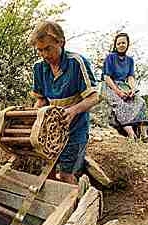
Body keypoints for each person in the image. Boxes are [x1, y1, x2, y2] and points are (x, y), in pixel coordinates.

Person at [29, 21, 100, 184]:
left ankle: (76, 206)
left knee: (67, 175)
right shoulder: (39, 67)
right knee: (48, 173)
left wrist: (73, 111)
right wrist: (34, 115)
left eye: (48, 48)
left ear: (60, 42)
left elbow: (94, 97)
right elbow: (41, 99)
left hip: (75, 129)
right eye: (40, 50)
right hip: (50, 131)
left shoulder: (76, 62)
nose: (45, 55)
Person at [102, 32, 148, 139]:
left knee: (140, 101)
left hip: (123, 85)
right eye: (118, 43)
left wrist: (132, 89)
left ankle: (144, 133)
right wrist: (118, 91)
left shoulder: (130, 60)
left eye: (123, 43)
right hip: (110, 85)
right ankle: (131, 134)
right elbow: (107, 77)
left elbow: (130, 77)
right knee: (120, 103)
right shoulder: (110, 57)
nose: (121, 45)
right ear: (115, 45)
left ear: (128, 44)